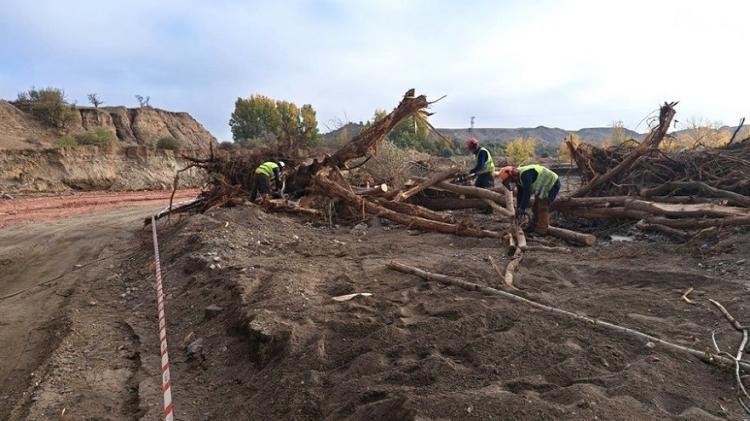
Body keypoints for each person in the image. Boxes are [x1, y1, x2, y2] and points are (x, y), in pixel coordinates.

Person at [498, 164, 561, 234]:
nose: (511, 182)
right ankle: (533, 226)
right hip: (543, 187)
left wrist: (522, 208)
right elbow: (520, 194)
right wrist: (519, 208)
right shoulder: (519, 178)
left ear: (512, 175)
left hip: (552, 183)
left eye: (510, 180)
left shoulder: (525, 175)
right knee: (535, 207)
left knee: (543, 207)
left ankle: (542, 230)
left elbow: (527, 192)